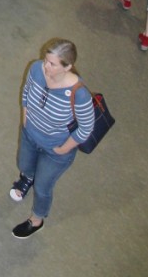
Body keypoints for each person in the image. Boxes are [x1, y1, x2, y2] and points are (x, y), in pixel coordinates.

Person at [9, 39, 94, 239]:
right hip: (30, 135)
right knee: (24, 164)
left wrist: (64, 149)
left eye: (52, 64)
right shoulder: (36, 69)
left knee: (43, 187)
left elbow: (87, 127)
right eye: (46, 60)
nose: (45, 66)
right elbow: (27, 92)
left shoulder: (79, 94)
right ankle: (26, 179)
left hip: (55, 150)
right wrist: (25, 120)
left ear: (68, 66)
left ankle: (36, 220)